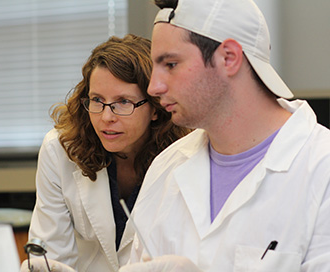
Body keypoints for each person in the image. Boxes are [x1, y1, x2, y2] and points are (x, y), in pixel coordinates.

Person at [119, 0, 330, 271]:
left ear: (229, 57)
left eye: (170, 64)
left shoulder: (321, 170)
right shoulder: (165, 168)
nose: (153, 87)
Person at [20, 34, 191, 272]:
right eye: (97, 100)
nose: (106, 117)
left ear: (155, 107)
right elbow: (51, 253)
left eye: (123, 102)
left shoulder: (185, 156)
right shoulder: (60, 150)